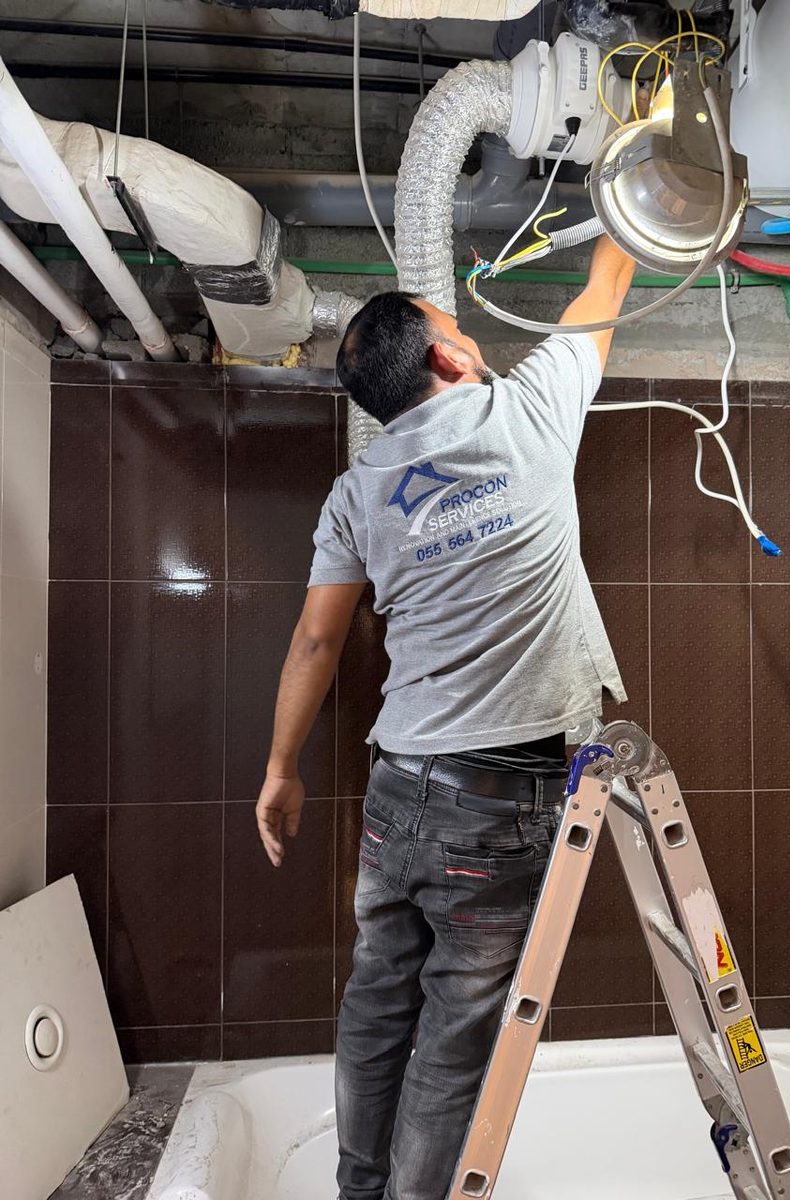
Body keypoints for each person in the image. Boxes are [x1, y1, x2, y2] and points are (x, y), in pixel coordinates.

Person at [256, 234, 636, 1200]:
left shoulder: (357, 494)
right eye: (459, 327)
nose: (471, 338)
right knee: (454, 1037)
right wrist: (632, 159)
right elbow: (616, 269)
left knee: (377, 1002)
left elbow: (313, 643)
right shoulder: (531, 409)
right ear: (447, 357)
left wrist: (281, 770)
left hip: (398, 790)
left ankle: (358, 1188)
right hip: (497, 804)